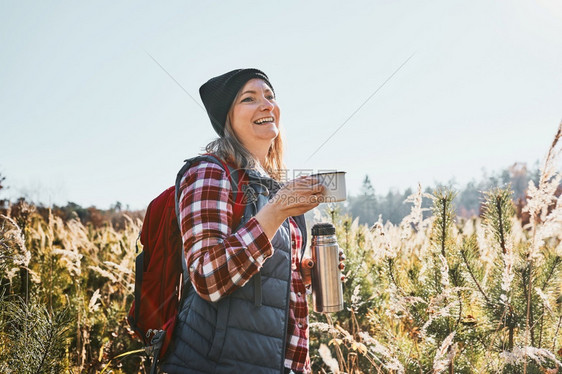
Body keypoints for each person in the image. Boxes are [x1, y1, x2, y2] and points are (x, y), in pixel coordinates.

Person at [160, 68, 326, 374]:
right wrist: (275, 212)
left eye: (270, 96)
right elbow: (208, 277)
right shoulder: (210, 173)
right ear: (228, 120)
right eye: (249, 98)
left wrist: (304, 272)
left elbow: (262, 284)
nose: (266, 104)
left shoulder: (272, 186)